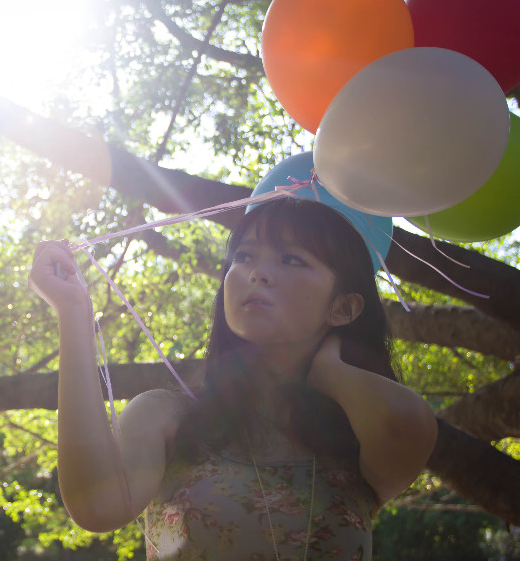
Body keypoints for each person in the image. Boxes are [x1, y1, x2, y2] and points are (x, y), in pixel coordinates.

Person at [28, 196, 438, 560]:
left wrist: (332, 371)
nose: (257, 273)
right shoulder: (166, 415)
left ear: (344, 308)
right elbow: (97, 506)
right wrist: (74, 313)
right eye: (243, 256)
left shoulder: (356, 432)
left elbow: (407, 426)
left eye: (291, 259)